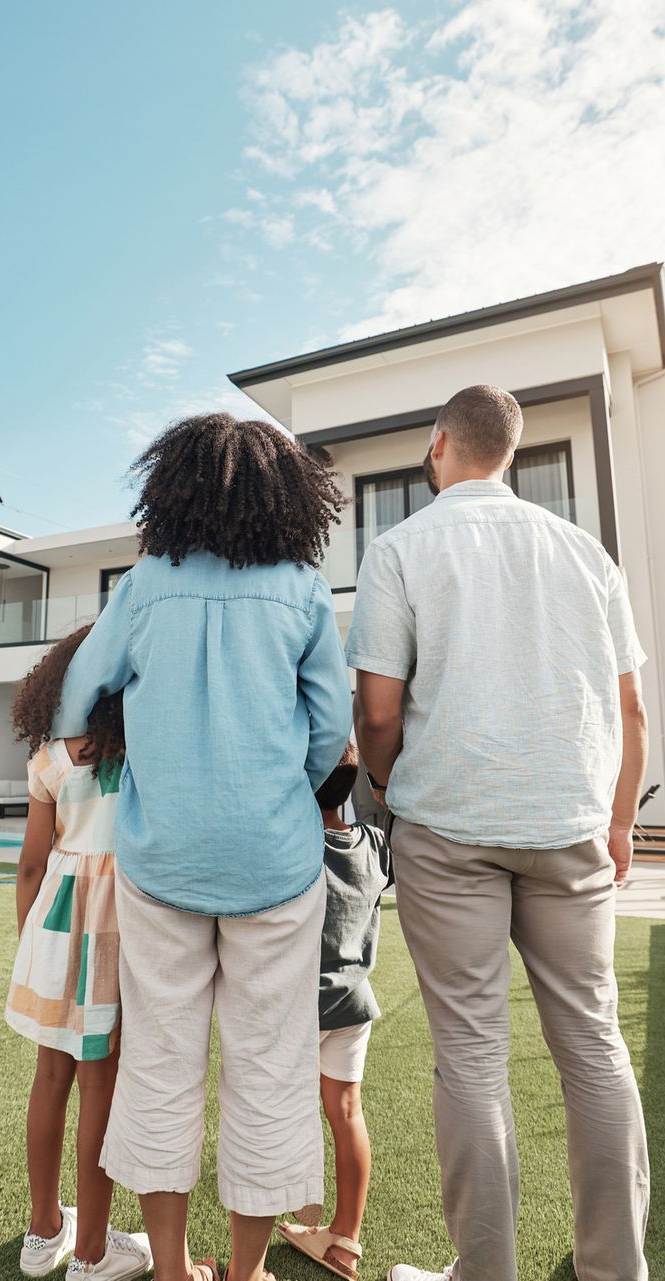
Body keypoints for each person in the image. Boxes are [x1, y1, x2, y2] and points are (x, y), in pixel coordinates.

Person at [345, 384, 650, 1281]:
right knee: (593, 1042)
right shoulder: (584, 553)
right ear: (508, 454)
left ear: (440, 445)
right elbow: (631, 709)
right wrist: (621, 816)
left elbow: (376, 707)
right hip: (568, 826)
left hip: (448, 825)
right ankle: (613, 1270)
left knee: (471, 1057)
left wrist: (389, 786)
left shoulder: (398, 548)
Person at [50, 414, 352, 1281]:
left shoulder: (146, 583)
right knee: (267, 1070)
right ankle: (249, 1271)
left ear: (172, 486)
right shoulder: (301, 585)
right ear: (283, 494)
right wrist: (277, 785)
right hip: (276, 864)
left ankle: (176, 1269)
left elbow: (74, 702)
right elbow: (329, 729)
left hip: (163, 862)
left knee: (160, 1067)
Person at [5, 626, 152, 1281]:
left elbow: (31, 865)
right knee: (100, 1085)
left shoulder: (51, 758)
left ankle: (44, 1231)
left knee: (50, 1077)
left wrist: (27, 944)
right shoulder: (144, 755)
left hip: (53, 929)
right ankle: (92, 1251)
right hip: (117, 929)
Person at [278, 742, 391, 1281]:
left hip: (299, 1008)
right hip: (353, 1004)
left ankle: (304, 1208)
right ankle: (345, 1240)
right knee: (346, 1114)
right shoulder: (372, 844)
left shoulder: (294, 847)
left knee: (280, 1112)